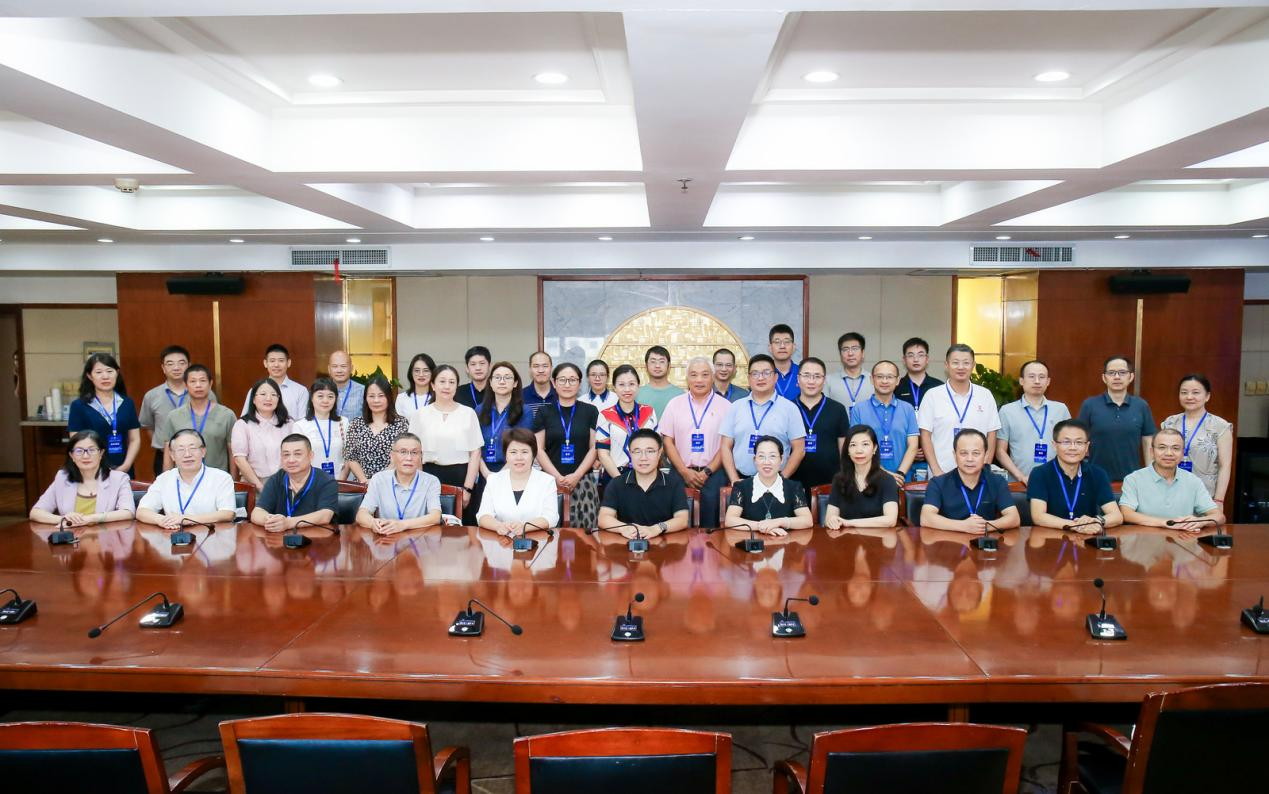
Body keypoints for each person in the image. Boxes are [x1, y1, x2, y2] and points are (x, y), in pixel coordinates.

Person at [660, 356, 732, 527]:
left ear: (713, 377)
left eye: (705, 375)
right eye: (694, 375)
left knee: (712, 527)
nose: (699, 380)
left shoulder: (726, 406)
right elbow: (667, 441)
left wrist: (707, 471)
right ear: (687, 378)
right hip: (680, 474)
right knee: (678, 525)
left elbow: (726, 444)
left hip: (714, 475)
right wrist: (684, 471)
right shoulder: (674, 404)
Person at [720, 354, 806, 485]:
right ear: (749, 378)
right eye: (755, 373)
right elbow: (725, 446)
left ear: (775, 377)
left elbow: (799, 449)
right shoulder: (736, 407)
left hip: (776, 480)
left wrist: (781, 480)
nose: (760, 378)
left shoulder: (790, 408)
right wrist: (734, 479)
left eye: (766, 373)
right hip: (741, 479)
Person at [534, 362, 601, 528]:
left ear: (579, 383)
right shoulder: (544, 412)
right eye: (562, 380)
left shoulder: (590, 411)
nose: (567, 384)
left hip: (583, 481)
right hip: (550, 481)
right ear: (554, 382)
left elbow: (594, 447)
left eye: (572, 380)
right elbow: (538, 449)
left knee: (585, 535)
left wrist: (577, 475)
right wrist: (557, 477)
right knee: (549, 532)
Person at [409, 364, 482, 516]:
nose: (447, 386)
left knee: (461, 527)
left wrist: (467, 488)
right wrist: (419, 485)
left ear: (456, 386)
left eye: (452, 382)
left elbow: (475, 452)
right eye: (442, 381)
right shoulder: (419, 414)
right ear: (433, 385)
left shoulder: (468, 413)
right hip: (429, 475)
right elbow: (414, 452)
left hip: (461, 476)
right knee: (429, 525)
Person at [918, 344, 1000, 477]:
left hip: (977, 475)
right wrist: (936, 471)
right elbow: (925, 435)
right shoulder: (932, 395)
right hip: (942, 473)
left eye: (966, 363)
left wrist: (985, 468)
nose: (961, 367)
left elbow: (991, 434)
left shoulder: (985, 395)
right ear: (946, 365)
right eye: (955, 363)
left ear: (973, 365)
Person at [1027, 419, 1122, 532]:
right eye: (1066, 442)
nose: (1073, 447)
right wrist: (1075, 525)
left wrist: (1096, 521)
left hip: (1087, 536)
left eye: (1079, 442)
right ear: (1054, 445)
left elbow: (1116, 516)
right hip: (1051, 537)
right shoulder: (1039, 473)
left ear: (1087, 446)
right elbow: (1038, 516)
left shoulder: (1098, 474)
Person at [920, 429, 1020, 534]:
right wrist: (964, 526)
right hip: (949, 541)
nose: (970, 459)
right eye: (963, 453)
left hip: (985, 541)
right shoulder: (938, 483)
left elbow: (1014, 518)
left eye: (976, 453)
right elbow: (926, 518)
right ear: (954, 455)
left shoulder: (997, 482)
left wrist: (985, 526)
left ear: (985, 455)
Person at [1120, 429, 1225, 530]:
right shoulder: (1133, 479)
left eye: (1175, 448)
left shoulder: (1193, 481)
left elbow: (1219, 516)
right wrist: (1167, 523)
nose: (1169, 453)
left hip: (1183, 538)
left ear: (1182, 453)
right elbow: (1126, 514)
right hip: (1145, 539)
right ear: (1152, 452)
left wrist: (1200, 521)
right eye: (1162, 447)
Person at [598, 429, 690, 540]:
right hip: (628, 544)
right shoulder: (617, 483)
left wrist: (656, 528)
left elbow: (682, 519)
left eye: (650, 451)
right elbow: (604, 518)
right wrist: (624, 528)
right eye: (637, 452)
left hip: (665, 544)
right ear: (630, 453)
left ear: (660, 453)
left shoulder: (674, 483)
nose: (643, 458)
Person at [1077, 355, 1156, 483]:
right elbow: (1079, 439)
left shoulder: (1141, 405)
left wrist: (1150, 475)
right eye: (1111, 373)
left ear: (1131, 377)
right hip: (1095, 478)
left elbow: (1148, 441)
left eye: (1122, 372)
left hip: (1132, 479)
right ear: (1104, 378)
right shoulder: (1089, 405)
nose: (1117, 377)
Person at [30, 429, 134, 525]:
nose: (85, 456)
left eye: (92, 450)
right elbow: (36, 512)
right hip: (72, 537)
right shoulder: (62, 478)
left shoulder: (119, 479)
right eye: (79, 451)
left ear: (101, 453)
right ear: (72, 456)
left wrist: (91, 518)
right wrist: (64, 520)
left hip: (106, 537)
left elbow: (128, 512)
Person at [136, 429, 236, 528]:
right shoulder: (164, 479)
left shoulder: (221, 478)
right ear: (172, 455)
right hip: (173, 535)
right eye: (181, 450)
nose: (187, 454)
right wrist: (162, 520)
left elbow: (227, 513)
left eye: (192, 448)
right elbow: (142, 511)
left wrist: (186, 519)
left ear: (203, 451)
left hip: (211, 535)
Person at [996, 360, 1071, 485]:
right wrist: (1020, 477)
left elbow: (1069, 445)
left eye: (1041, 377)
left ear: (1048, 381)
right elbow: (1000, 451)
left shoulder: (1061, 409)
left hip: (1056, 481)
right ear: (1021, 381)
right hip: (1019, 483)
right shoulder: (1007, 411)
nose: (1037, 381)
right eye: (1031, 376)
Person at [1160, 373, 1232, 502]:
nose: (1189, 397)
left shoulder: (1220, 426)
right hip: (1169, 494)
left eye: (1196, 392)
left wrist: (1219, 500)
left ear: (1207, 396)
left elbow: (1225, 466)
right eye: (1184, 392)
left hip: (1205, 497)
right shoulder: (1170, 423)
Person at [68, 352, 141, 475]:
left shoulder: (127, 403)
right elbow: (76, 443)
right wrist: (92, 466)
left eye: (109, 371)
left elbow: (135, 439)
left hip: (124, 469)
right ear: (89, 376)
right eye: (98, 372)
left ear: (117, 373)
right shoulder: (79, 406)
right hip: (91, 470)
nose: (105, 376)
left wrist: (126, 465)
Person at [477, 427, 560, 535]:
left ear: (533, 455)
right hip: (501, 540)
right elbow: (483, 515)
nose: (519, 457)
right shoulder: (494, 480)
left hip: (536, 540)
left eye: (524, 452)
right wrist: (499, 526)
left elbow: (551, 517)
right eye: (513, 452)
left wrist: (524, 527)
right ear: (506, 455)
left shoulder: (547, 481)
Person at [356, 433, 443, 535]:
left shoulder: (431, 481)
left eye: (414, 453)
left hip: (419, 538)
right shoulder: (379, 479)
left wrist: (402, 525)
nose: (409, 458)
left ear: (421, 456)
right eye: (403, 452)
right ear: (392, 456)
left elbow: (436, 516)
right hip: (386, 538)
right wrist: (372, 523)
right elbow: (361, 514)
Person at [724, 436, 813, 535]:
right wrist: (761, 526)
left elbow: (807, 520)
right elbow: (730, 520)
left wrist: (779, 522)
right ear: (754, 459)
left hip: (786, 542)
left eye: (772, 456)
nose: (767, 462)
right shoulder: (741, 486)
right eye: (761, 456)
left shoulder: (793, 487)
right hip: (751, 542)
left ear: (781, 459)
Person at [250, 434, 338, 532]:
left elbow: (325, 515)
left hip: (316, 537)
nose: (291, 460)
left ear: (311, 456)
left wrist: (288, 523)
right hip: (280, 538)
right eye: (286, 455)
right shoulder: (276, 479)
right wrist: (271, 521)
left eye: (297, 454)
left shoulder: (326, 481)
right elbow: (257, 513)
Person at [850, 360, 919, 485]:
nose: (884, 381)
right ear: (872, 379)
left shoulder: (907, 409)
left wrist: (900, 474)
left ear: (897, 380)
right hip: (868, 480)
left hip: (901, 480)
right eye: (880, 376)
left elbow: (913, 446)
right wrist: (884, 474)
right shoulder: (858, 410)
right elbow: (856, 447)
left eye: (889, 377)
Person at [157, 364, 236, 473]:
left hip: (217, 478)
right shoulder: (173, 416)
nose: (198, 385)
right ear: (186, 385)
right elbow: (168, 453)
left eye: (202, 381)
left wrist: (233, 480)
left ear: (210, 384)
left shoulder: (227, 415)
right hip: (183, 478)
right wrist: (167, 478)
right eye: (193, 381)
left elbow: (232, 452)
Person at [791, 357, 850, 497]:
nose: (811, 381)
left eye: (817, 376)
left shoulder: (837, 409)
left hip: (830, 484)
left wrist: (846, 478)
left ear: (824, 380)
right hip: (793, 483)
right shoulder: (788, 408)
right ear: (798, 379)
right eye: (806, 375)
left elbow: (844, 449)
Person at [823, 426, 900, 529]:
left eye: (865, 444)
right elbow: (829, 518)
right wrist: (831, 521)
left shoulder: (887, 480)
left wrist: (849, 523)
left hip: (878, 538)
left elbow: (890, 520)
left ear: (874, 448)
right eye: (853, 445)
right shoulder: (839, 479)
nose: (859, 450)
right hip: (846, 538)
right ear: (848, 450)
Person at [138, 345, 198, 473]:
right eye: (170, 364)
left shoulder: (202, 394)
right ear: (163, 368)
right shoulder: (152, 396)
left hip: (196, 455)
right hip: (164, 456)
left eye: (181, 363)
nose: (176, 368)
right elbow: (148, 426)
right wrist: (164, 446)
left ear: (189, 365)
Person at [597, 364, 659, 482]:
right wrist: (621, 482)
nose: (627, 389)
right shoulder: (605, 415)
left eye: (631, 384)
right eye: (621, 384)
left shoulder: (649, 412)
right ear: (614, 387)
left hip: (647, 476)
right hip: (615, 477)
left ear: (638, 385)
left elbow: (658, 448)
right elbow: (603, 454)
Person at [232, 379, 293, 492]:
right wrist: (260, 487)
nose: (268, 398)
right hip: (254, 484)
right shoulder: (242, 424)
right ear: (253, 399)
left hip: (286, 483)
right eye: (263, 394)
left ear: (279, 399)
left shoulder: (288, 423)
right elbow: (240, 459)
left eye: (273, 394)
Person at [478, 361, 534, 477]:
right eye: (497, 377)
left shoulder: (525, 411)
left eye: (507, 378)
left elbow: (523, 447)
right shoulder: (479, 410)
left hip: (513, 471)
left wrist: (499, 476)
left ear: (515, 383)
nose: (502, 381)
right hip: (484, 472)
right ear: (490, 382)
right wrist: (486, 474)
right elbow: (474, 447)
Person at [292, 378, 350, 481]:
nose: (325, 400)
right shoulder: (300, 426)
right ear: (312, 398)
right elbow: (298, 458)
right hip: (311, 482)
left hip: (340, 481)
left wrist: (341, 480)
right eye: (320, 396)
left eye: (330, 396)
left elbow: (349, 455)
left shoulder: (343, 422)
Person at [239, 343, 308, 421]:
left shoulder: (300, 391)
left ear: (288, 363)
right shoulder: (255, 390)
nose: (276, 365)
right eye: (272, 361)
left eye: (281, 361)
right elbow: (245, 420)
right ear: (265, 363)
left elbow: (303, 422)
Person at [826, 332, 873, 410]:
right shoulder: (828, 380)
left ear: (863, 353)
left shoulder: (874, 380)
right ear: (840, 354)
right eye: (845, 349)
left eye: (855, 348)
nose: (850, 353)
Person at [895, 336, 942, 412]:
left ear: (927, 359)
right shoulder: (896, 386)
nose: (916, 359)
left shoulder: (939, 386)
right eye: (911, 355)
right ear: (904, 360)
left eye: (920, 355)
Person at [637, 345, 684, 418]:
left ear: (669, 366)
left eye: (662, 361)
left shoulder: (680, 394)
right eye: (653, 362)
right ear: (646, 365)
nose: (657, 366)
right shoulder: (637, 394)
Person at [327, 350, 364, 422]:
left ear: (351, 368)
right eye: (335, 366)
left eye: (343, 366)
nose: (339, 370)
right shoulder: (321, 392)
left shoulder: (362, 391)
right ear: (329, 369)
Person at [396, 353, 436, 417]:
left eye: (426, 370)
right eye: (417, 370)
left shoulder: (439, 397)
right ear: (411, 373)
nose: (421, 374)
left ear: (432, 373)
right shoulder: (402, 398)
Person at [522, 351, 557, 422]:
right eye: (536, 366)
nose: (541, 370)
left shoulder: (561, 394)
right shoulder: (520, 396)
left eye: (545, 366)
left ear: (551, 368)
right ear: (530, 369)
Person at [769, 323, 800, 401]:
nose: (782, 346)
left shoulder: (802, 373)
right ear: (770, 347)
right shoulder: (763, 374)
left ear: (794, 347)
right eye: (777, 342)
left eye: (787, 342)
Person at [456, 345, 492, 409]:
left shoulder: (497, 391)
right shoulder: (458, 392)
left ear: (489, 366)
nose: (478, 368)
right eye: (473, 364)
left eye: (482, 363)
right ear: (467, 368)